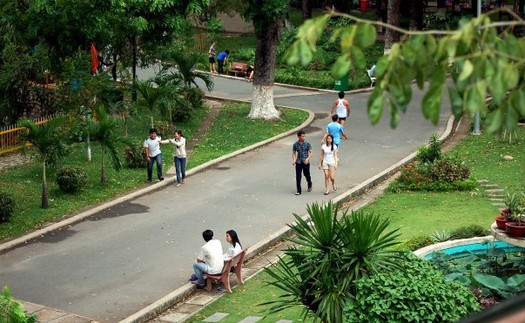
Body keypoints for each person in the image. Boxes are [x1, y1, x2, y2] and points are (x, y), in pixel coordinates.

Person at [292, 130, 313, 195]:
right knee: (298, 176)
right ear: (299, 137)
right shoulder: (295, 144)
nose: (304, 137)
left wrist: (307, 159)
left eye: (304, 136)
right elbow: (294, 152)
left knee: (306, 174)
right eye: (302, 136)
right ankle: (299, 190)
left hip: (305, 162)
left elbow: (311, 152)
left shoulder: (307, 143)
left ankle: (309, 183)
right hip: (298, 162)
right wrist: (294, 160)